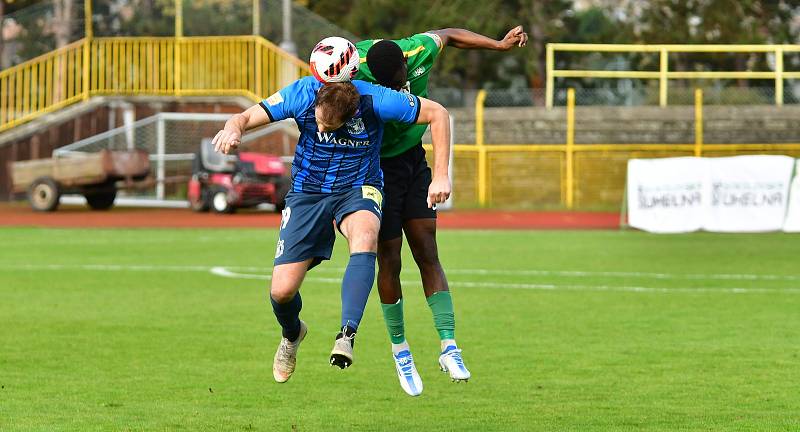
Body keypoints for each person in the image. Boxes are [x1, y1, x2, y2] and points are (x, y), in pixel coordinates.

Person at [212, 72, 452, 384]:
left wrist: (441, 175)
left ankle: (347, 334)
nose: (320, 128)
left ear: (351, 115)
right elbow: (243, 116)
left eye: (329, 126)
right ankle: (292, 334)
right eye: (318, 121)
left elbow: (438, 112)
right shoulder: (301, 93)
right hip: (307, 193)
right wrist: (233, 129)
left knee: (366, 237)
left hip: (358, 186)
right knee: (282, 292)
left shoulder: (375, 99)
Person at [354, 26, 528, 395]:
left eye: (398, 83)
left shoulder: (417, 50)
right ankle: (400, 350)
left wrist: (497, 45)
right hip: (374, 168)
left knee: (427, 249)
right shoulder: (355, 63)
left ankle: (449, 346)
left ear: (405, 65)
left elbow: (449, 34)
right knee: (389, 259)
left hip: (413, 164)